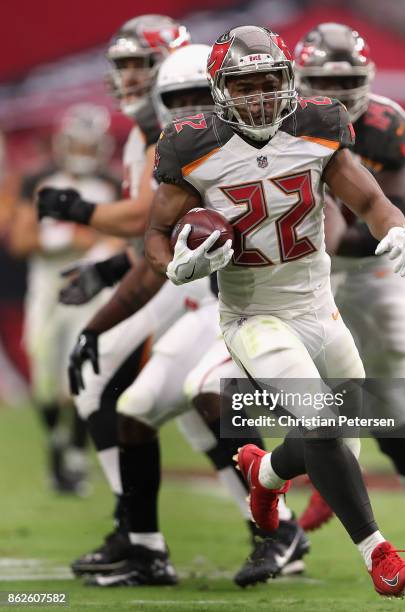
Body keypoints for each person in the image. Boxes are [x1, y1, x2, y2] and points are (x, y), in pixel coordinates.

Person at [145, 25, 405, 599]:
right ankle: (380, 554)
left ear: (288, 79)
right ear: (221, 91)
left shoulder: (318, 124)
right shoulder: (191, 145)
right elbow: (155, 231)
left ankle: (264, 472)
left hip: (321, 307)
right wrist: (174, 268)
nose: (260, 95)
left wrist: (396, 229)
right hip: (255, 313)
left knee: (350, 423)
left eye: (270, 81)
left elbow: (370, 199)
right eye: (245, 85)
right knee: (322, 421)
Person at [63, 43, 307, 588]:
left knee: (225, 402)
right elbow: (155, 259)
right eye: (177, 99)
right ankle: (148, 548)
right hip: (210, 309)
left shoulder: (267, 147)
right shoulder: (182, 161)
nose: (188, 109)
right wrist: (98, 323)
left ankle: (286, 527)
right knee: (137, 409)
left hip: (269, 307)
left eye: (199, 95)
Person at [293, 22, 405, 582]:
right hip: (300, 276)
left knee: (394, 403)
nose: (335, 94)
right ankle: (327, 471)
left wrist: (340, 234)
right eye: (320, 80)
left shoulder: (385, 125)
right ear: (298, 77)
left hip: (375, 270)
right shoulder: (271, 126)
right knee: (312, 394)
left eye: (345, 80)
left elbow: (394, 209)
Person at [36, 14, 191, 581]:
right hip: (189, 278)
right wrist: (106, 271)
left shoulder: (182, 129)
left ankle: (140, 534)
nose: (128, 78)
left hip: (227, 284)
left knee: (340, 410)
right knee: (189, 408)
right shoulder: (145, 133)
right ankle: (142, 535)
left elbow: (153, 218)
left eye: (139, 65)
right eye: (121, 66)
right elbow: (157, 236)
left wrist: (78, 211)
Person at [8, 103, 119, 494]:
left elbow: (116, 238)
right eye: (79, 145)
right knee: (43, 378)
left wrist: (95, 247)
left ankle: (74, 451)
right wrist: (66, 238)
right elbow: (19, 240)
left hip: (89, 288)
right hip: (46, 289)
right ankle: (57, 442)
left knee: (84, 373)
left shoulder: (110, 184)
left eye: (91, 146)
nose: (84, 154)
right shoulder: (38, 179)